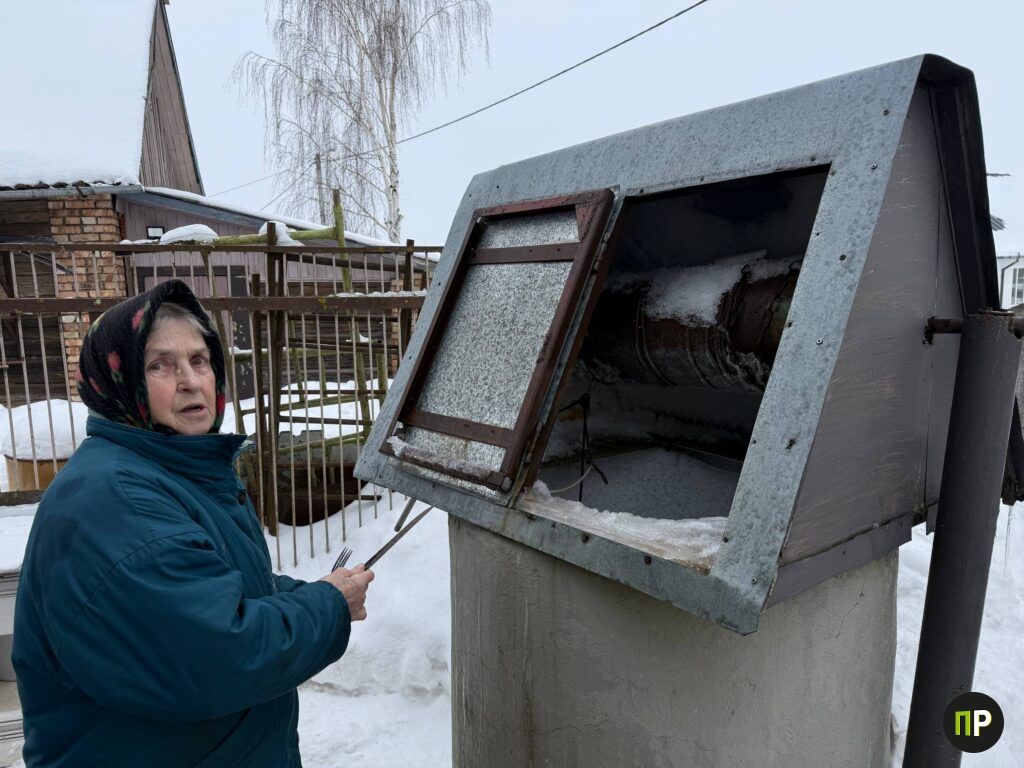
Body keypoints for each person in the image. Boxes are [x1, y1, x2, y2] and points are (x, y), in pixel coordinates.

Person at [12, 279, 373, 767]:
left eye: (199, 360)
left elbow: (207, 586)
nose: (190, 381)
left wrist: (299, 593)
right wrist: (326, 607)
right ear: (116, 380)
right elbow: (216, 657)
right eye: (159, 365)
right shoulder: (118, 501)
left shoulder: (173, 469)